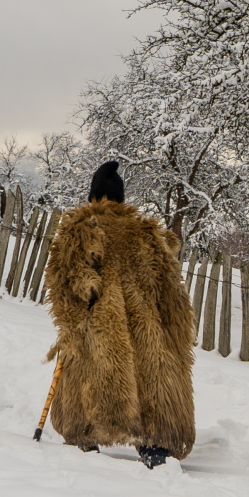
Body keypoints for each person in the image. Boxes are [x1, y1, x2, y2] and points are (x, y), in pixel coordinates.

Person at [36, 161, 197, 467]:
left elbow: (66, 281)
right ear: (121, 199)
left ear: (93, 196)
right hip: (146, 325)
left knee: (88, 373)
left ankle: (84, 437)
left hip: (98, 323)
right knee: (150, 376)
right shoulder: (147, 233)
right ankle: (154, 445)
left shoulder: (81, 228)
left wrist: (72, 320)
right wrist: (174, 331)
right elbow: (170, 289)